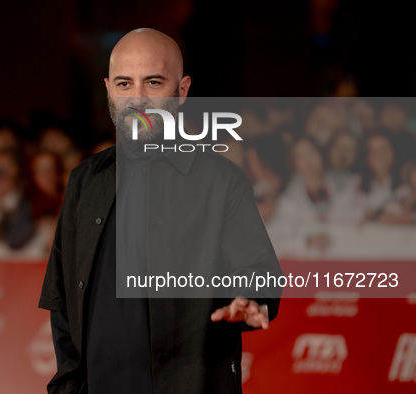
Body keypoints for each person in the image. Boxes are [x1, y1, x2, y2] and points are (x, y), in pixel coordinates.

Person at [39, 28, 281, 394]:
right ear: (108, 89)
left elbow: (259, 273)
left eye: (153, 82)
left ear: (181, 91)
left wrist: (250, 298)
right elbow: (63, 304)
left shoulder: (221, 181)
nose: (137, 98)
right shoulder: (85, 181)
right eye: (124, 83)